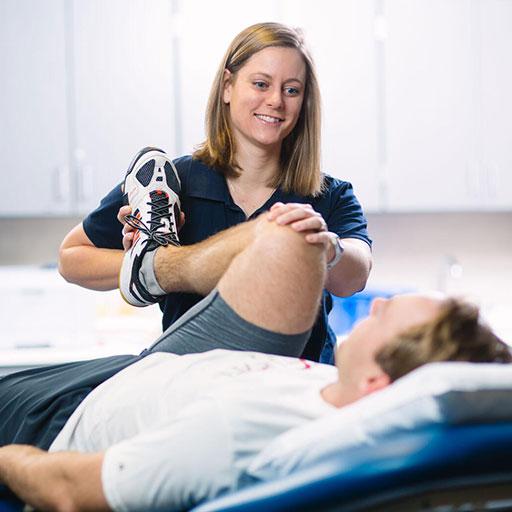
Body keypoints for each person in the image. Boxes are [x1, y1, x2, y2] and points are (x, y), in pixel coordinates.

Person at [1, 207, 510, 512]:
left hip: (57, 419)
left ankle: (153, 267)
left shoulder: (238, 433)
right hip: (127, 374)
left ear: (377, 380)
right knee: (287, 239)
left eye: (386, 313)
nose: (374, 303)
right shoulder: (340, 389)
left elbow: (66, 491)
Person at [58, 22, 373, 362]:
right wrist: (146, 265)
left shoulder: (329, 195)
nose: (276, 101)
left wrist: (326, 248)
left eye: (292, 90)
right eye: (261, 84)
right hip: (194, 383)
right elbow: (71, 258)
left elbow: (355, 275)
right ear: (227, 86)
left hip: (294, 385)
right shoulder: (168, 183)